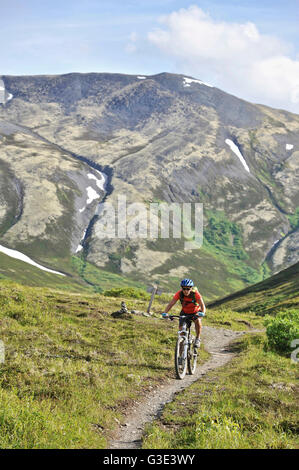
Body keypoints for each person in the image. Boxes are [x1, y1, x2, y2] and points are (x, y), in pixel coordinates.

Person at [161, 278, 205, 348]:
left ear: (191, 288)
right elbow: (171, 303)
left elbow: (202, 305)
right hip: (185, 312)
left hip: (196, 312)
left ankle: (197, 338)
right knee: (181, 332)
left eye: (188, 289)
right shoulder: (179, 293)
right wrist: (165, 313)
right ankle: (180, 355)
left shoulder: (195, 294)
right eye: (184, 289)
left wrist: (203, 312)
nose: (186, 291)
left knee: (198, 321)